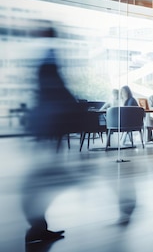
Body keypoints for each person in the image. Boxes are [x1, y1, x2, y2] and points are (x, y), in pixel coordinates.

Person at [23, 49, 135, 245]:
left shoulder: (46, 71)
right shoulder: (49, 70)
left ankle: (38, 228)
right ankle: (126, 203)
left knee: (48, 179)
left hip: (49, 136)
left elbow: (56, 97)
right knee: (71, 176)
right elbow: (61, 96)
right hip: (52, 135)